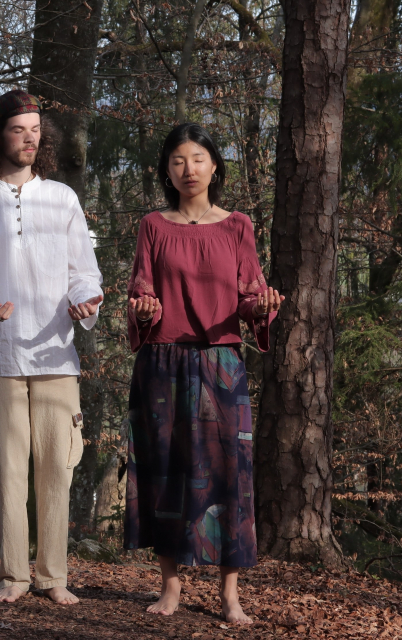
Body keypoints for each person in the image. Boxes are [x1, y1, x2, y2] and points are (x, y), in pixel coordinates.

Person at [0, 90, 103, 605]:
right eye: (18, 130)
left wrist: (85, 301)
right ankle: (13, 575)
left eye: (36, 130)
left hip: (55, 352)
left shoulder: (62, 199)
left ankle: (53, 576)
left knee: (57, 467)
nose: (30, 138)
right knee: (6, 468)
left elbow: (84, 273)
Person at [124, 123, 283, 625]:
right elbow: (140, 293)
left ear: (215, 166)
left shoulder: (238, 226)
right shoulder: (153, 225)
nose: (188, 169)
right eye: (177, 161)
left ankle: (229, 595)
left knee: (231, 474)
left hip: (221, 364)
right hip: (162, 363)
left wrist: (263, 306)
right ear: (166, 171)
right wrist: (145, 310)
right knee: (165, 470)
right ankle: (169, 586)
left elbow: (251, 295)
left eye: (197, 159)